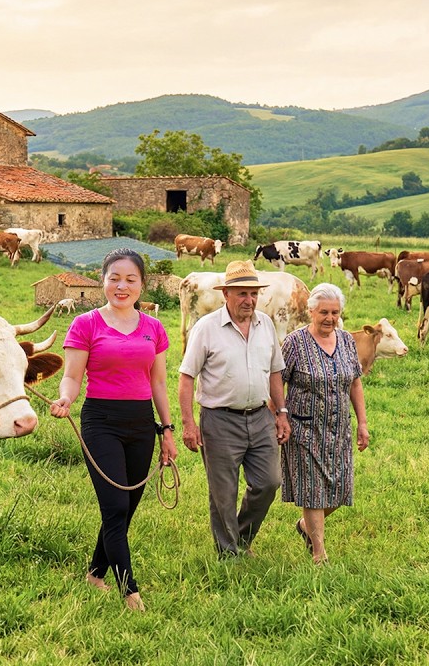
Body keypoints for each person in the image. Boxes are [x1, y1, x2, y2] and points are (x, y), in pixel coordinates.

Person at [50, 248, 176, 611]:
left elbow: (159, 384)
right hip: (101, 421)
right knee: (116, 504)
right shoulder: (85, 323)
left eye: (130, 279)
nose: (122, 286)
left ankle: (95, 573)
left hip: (141, 423)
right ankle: (129, 590)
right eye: (114, 278)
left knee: (126, 506)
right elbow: (72, 377)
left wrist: (166, 430)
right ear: (102, 280)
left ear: (141, 285)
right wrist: (65, 400)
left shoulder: (154, 328)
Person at [178, 260, 290, 557]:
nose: (249, 300)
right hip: (220, 420)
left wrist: (281, 413)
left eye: (254, 294)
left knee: (269, 483)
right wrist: (189, 424)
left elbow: (275, 372)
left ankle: (241, 537)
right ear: (226, 294)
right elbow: (187, 377)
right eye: (242, 293)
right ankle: (228, 554)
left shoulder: (265, 324)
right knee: (223, 494)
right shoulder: (206, 328)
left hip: (260, 416)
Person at [281, 282, 369, 564]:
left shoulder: (345, 340)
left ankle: (306, 526)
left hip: (339, 427)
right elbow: (276, 383)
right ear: (310, 311)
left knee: (339, 489)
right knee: (312, 490)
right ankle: (319, 552)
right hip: (303, 427)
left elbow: (355, 382)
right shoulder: (294, 343)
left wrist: (362, 423)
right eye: (323, 312)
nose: (329, 318)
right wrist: (279, 417)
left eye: (334, 312)